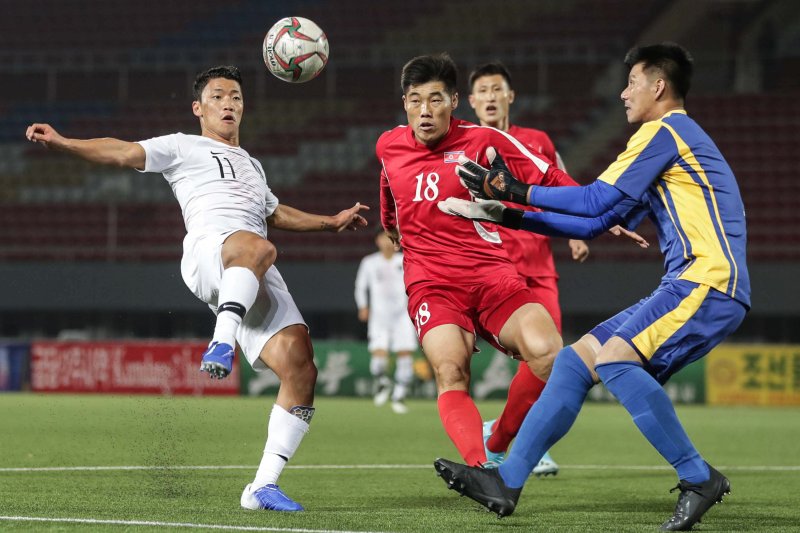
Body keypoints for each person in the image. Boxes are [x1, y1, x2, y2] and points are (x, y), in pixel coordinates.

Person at [434, 43, 749, 532]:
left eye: (631, 83)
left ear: (658, 86)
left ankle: (697, 476)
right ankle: (507, 480)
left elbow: (593, 198)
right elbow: (594, 222)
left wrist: (512, 190)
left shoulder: (665, 131)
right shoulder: (663, 140)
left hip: (707, 280)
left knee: (615, 360)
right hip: (685, 282)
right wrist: (506, 213)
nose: (623, 94)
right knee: (574, 360)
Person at [25, 65, 368, 512]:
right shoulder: (182, 146)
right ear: (198, 108)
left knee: (300, 366)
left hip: (252, 261)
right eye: (219, 96)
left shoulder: (252, 164)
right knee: (257, 245)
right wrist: (64, 142)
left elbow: (274, 211)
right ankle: (221, 343)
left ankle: (262, 487)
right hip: (210, 252)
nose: (229, 104)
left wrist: (330, 222)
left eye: (237, 98)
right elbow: (122, 152)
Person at [376, 52, 590, 469]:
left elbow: (547, 176)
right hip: (433, 285)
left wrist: (600, 212)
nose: (425, 111)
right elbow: (388, 193)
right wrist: (390, 226)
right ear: (405, 104)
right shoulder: (388, 145)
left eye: (435, 99)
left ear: (455, 101)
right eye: (415, 100)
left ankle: (499, 440)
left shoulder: (482, 139)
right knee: (451, 370)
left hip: (491, 275)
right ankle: (479, 469)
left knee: (549, 352)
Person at [468, 61, 591, 476]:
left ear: (509, 96)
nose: (488, 96)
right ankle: (512, 442)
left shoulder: (536, 140)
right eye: (481, 90)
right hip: (492, 265)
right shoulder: (465, 144)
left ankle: (506, 438)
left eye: (495, 89)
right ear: (470, 101)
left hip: (538, 263)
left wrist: (577, 231)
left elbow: (561, 185)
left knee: (550, 360)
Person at [354, 230, 418, 414]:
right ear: (378, 240)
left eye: (391, 238)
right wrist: (363, 306)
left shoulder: (404, 261)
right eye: (384, 237)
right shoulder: (369, 262)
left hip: (402, 316)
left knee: (405, 354)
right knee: (378, 359)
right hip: (379, 316)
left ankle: (399, 396)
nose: (387, 241)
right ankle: (383, 383)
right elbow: (360, 286)